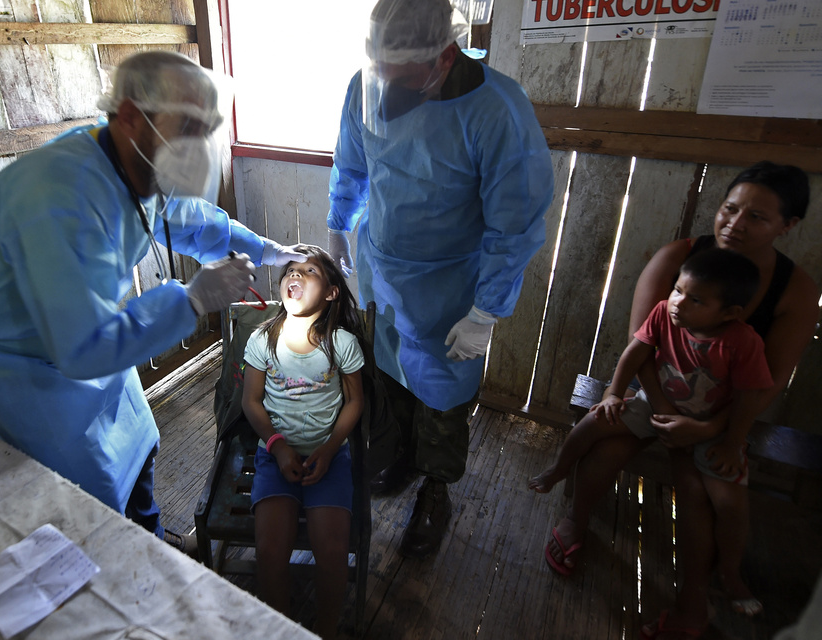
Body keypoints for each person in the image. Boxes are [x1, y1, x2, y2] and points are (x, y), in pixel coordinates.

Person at [0, 50, 306, 557]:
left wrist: (265, 248)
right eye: (188, 124)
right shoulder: (58, 196)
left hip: (89, 324)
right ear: (131, 114)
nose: (199, 143)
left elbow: (192, 219)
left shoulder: (137, 162)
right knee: (84, 481)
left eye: (209, 127)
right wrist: (193, 300)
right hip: (20, 357)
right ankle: (121, 559)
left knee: (137, 437)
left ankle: (152, 539)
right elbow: (81, 350)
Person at [538, 161, 818, 639]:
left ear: (787, 226)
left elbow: (768, 381)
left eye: (757, 217)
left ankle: (695, 597)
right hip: (658, 393)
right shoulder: (680, 257)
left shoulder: (793, 289)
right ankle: (575, 518)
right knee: (607, 445)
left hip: (722, 415)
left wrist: (710, 429)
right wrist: (664, 410)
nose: (735, 224)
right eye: (729, 209)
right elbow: (641, 341)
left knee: (695, 493)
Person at [326, 0, 554, 558]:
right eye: (381, 73)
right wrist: (338, 225)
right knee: (387, 374)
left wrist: (486, 312)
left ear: (445, 57)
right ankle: (397, 457)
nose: (388, 92)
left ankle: (437, 490)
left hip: (452, 287)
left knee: (444, 397)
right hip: (384, 271)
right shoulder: (366, 84)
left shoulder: (497, 111)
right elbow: (352, 167)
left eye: (403, 80)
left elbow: (516, 225)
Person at [530, 249, 773, 588]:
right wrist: (614, 393)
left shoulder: (742, 343)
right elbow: (635, 353)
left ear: (730, 313)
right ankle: (558, 470)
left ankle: (730, 573)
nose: (678, 303)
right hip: (654, 403)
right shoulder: (663, 313)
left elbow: (749, 398)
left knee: (730, 502)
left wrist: (733, 442)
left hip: (712, 425)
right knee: (594, 422)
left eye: (696, 301)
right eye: (678, 290)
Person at [241, 245, 365, 639]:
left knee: (332, 554)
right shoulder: (263, 339)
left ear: (331, 292)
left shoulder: (341, 343)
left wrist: (329, 450)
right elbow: (251, 402)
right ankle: (280, 628)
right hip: (274, 457)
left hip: (328, 460)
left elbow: (355, 402)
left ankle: (325, 630)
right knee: (270, 552)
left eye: (309, 271)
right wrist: (277, 447)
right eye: (290, 269)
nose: (295, 274)